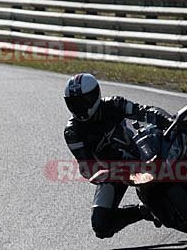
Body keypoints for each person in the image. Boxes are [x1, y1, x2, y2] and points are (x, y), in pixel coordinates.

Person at [63, 72, 176, 239]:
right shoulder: (72, 132)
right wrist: (98, 174)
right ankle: (142, 211)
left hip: (142, 152)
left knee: (180, 126)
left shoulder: (114, 104)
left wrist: (166, 120)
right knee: (101, 226)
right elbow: (86, 165)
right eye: (74, 103)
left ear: (95, 96)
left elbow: (143, 111)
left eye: (83, 101)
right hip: (115, 172)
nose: (80, 107)